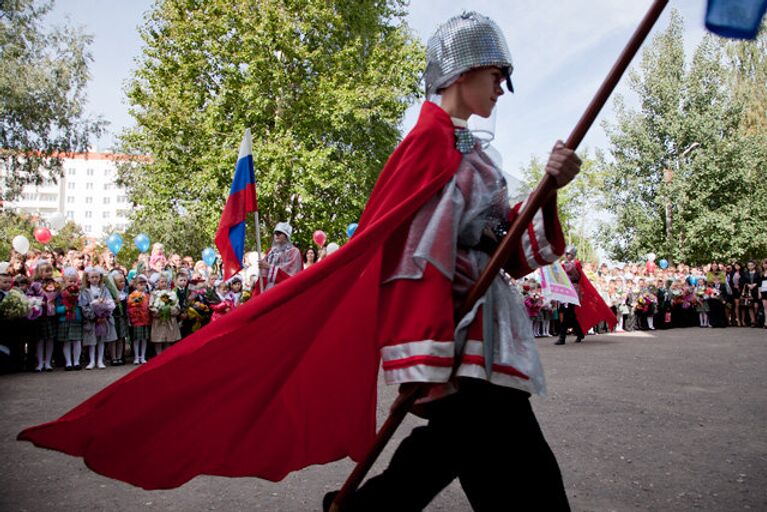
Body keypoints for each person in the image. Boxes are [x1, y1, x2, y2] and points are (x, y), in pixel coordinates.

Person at [18, 12, 575, 506]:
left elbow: (510, 246)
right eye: (496, 74)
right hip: (460, 341)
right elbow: (413, 261)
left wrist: (547, 190)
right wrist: (424, 357)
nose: (503, 88)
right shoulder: (426, 148)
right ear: (460, 72)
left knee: (456, 452)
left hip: (484, 337)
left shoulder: (476, 155)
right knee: (503, 463)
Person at [256, 222, 302, 292]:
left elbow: (292, 274)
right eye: (275, 233)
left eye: (280, 233)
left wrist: (269, 267)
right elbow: (263, 272)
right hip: (268, 288)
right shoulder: (271, 252)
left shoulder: (294, 251)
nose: (277, 235)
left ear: (286, 235)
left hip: (284, 289)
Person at [556, 246, 586, 344]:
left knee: (567, 313)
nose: (567, 256)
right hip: (565, 289)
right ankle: (580, 333)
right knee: (570, 314)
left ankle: (562, 338)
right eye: (566, 254)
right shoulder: (563, 264)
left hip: (574, 290)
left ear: (573, 255)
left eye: (569, 254)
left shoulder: (576, 264)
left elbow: (579, 276)